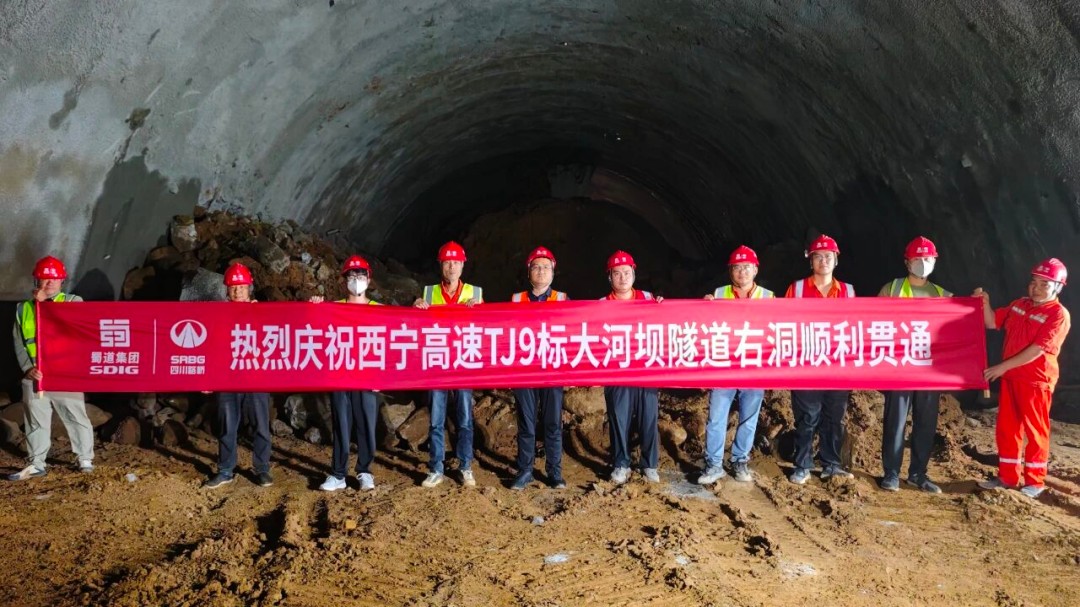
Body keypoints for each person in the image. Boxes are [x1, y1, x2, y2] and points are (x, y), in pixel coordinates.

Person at [975, 258, 1071, 498]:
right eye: (1033, 282)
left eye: (1044, 284)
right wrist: (984, 303)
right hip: (1011, 379)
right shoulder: (1019, 305)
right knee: (1007, 429)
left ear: (1058, 287)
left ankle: (1035, 482)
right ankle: (1007, 477)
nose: (1036, 288)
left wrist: (1002, 367)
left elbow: (1038, 349)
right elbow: (991, 321)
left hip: (1036, 381)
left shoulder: (1058, 314)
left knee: (1036, 431)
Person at [7, 256, 95, 481]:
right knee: (35, 420)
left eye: (53, 280)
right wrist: (27, 368)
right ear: (36, 281)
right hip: (36, 375)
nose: (48, 284)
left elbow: (70, 325)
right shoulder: (23, 308)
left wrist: (45, 304)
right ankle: (36, 463)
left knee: (75, 415)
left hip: (66, 374)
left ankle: (84, 458)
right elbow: (19, 342)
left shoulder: (74, 301)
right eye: (43, 280)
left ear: (62, 281)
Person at [876, 237, 952, 493]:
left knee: (926, 423)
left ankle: (918, 473)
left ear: (934, 261)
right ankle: (891, 473)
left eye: (927, 259)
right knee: (895, 421)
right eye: (917, 258)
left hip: (929, 370)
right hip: (900, 368)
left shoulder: (943, 295)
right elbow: (873, 321)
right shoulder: (892, 289)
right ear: (907, 262)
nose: (922, 263)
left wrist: (977, 303)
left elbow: (958, 328)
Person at [698, 245, 774, 485]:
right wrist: (704, 307)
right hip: (725, 367)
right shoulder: (719, 293)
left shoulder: (768, 297)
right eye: (737, 268)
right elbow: (707, 326)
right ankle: (713, 464)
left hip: (754, 367)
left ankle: (740, 460)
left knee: (749, 419)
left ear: (755, 270)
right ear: (730, 271)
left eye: (746, 267)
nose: (742, 272)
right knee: (716, 418)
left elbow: (777, 329)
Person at [784, 235, 856, 485]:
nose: (823, 261)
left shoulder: (848, 291)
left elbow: (856, 326)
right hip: (806, 365)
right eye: (818, 256)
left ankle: (831, 464)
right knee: (807, 417)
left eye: (828, 256)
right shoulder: (797, 289)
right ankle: (802, 465)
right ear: (810, 260)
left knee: (834, 418)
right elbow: (784, 322)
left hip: (837, 366)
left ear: (836, 260)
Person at [413, 241, 483, 488]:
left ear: (463, 265)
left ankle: (465, 466)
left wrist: (479, 310)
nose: (451, 267)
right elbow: (417, 327)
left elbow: (486, 327)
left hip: (463, 363)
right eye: (447, 262)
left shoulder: (475, 293)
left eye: (455, 262)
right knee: (436, 420)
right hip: (438, 363)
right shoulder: (428, 293)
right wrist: (416, 308)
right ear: (440, 265)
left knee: (464, 419)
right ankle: (436, 468)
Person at [311, 255, 381, 492]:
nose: (356, 279)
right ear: (344, 280)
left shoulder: (380, 311)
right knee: (341, 425)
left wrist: (384, 377)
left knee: (366, 425)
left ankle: (365, 471)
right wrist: (315, 308)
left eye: (361, 275)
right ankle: (338, 474)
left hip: (367, 377)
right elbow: (314, 332)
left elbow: (391, 343)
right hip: (340, 376)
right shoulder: (334, 308)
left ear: (368, 280)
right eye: (352, 275)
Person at [204, 263, 274, 489]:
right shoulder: (218, 315)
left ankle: (262, 469)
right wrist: (208, 377)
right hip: (228, 378)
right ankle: (226, 470)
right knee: (227, 426)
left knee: (261, 425)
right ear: (227, 290)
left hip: (256, 376)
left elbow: (277, 338)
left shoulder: (262, 312)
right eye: (233, 287)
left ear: (249, 288)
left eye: (242, 287)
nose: (238, 291)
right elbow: (211, 348)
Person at [601, 250, 662, 485]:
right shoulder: (600, 305)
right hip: (616, 374)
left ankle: (649, 465)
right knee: (619, 419)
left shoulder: (648, 298)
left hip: (645, 371)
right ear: (610, 277)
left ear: (634, 274)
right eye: (617, 273)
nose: (623, 278)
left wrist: (663, 307)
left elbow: (664, 324)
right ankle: (621, 463)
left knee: (649, 418)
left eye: (627, 272)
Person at [509, 246, 568, 490]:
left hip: (552, 369)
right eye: (536, 267)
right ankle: (525, 470)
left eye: (546, 267)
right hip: (524, 371)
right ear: (529, 272)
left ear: (553, 272)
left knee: (552, 423)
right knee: (526, 422)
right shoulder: (516, 300)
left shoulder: (563, 299)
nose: (541, 271)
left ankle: (554, 472)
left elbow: (574, 331)